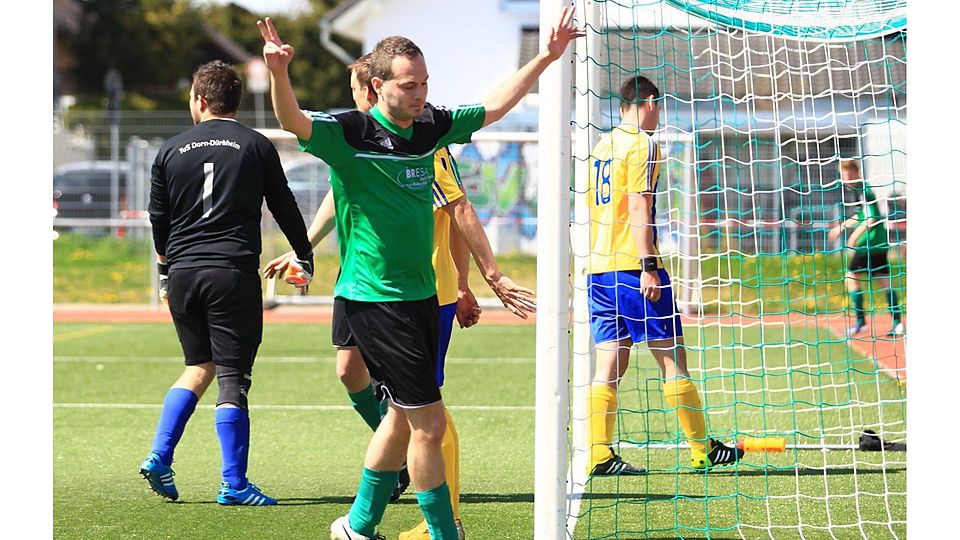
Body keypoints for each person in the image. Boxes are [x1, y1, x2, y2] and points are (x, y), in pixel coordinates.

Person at [258, 8, 581, 539]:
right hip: (375, 301)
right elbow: (294, 123)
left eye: (425, 83)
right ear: (378, 85)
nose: (420, 93)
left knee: (401, 418)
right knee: (428, 425)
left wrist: (546, 56)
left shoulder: (430, 124)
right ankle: (443, 534)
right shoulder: (352, 131)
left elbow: (494, 106)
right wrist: (278, 72)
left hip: (422, 297)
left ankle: (358, 526)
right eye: (410, 85)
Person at [140, 60, 314, 506]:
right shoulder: (255, 145)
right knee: (233, 378)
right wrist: (305, 255)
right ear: (233, 101)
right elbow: (284, 205)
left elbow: (158, 219)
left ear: (199, 100)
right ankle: (234, 484)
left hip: (182, 274)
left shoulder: (170, 150)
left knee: (198, 366)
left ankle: (160, 455)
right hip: (231, 274)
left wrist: (164, 272)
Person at [585, 75, 743, 477]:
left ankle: (599, 454)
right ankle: (701, 448)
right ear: (650, 102)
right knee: (672, 358)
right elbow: (640, 208)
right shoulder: (643, 143)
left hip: (599, 269)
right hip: (633, 267)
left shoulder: (602, 146)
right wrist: (649, 266)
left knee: (609, 364)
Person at [828, 159, 904, 337]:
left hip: (868, 243)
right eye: (844, 174)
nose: (847, 177)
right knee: (884, 280)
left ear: (857, 173)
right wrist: (842, 227)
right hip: (879, 242)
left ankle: (861, 322)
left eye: (850, 173)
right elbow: (861, 215)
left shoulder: (863, 191)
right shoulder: (859, 191)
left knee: (851, 276)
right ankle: (898, 323)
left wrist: (854, 237)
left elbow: (871, 217)